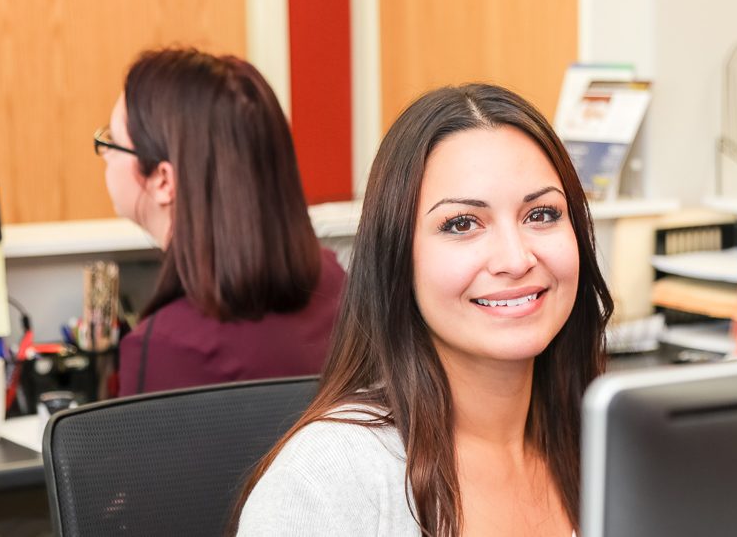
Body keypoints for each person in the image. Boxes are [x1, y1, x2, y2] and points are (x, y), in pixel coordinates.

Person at [234, 83, 613, 537]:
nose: (516, 259)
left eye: (542, 215)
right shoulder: (329, 479)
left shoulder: (604, 445)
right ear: (398, 258)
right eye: (462, 224)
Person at [95, 47, 345, 395]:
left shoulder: (169, 346)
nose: (104, 153)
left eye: (112, 140)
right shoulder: (335, 285)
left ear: (163, 181)